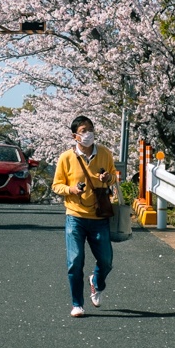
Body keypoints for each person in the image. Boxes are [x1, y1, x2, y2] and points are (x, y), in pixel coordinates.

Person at [51, 115, 117, 317]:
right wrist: (71, 189)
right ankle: (77, 304)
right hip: (75, 216)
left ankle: (96, 282)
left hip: (99, 216)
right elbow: (56, 185)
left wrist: (108, 177)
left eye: (90, 129)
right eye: (83, 131)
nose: (88, 134)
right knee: (75, 260)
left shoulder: (104, 153)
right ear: (74, 136)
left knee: (106, 260)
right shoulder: (66, 158)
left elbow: (114, 176)